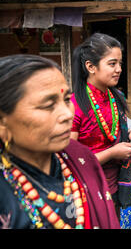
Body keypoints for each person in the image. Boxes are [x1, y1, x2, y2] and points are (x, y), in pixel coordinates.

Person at [0, 54, 119, 229]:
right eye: (48, 105)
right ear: (3, 122)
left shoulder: (80, 158)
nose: (67, 114)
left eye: (66, 100)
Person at [70, 33, 131, 219]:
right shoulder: (74, 106)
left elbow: (118, 129)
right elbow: (70, 162)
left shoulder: (116, 97)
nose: (119, 69)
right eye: (112, 64)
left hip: (114, 186)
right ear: (91, 67)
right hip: (85, 190)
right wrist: (112, 153)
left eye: (120, 63)